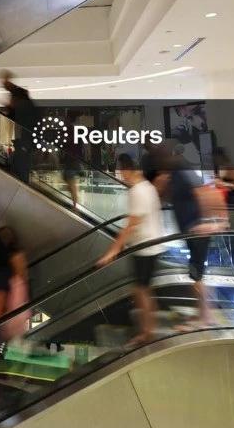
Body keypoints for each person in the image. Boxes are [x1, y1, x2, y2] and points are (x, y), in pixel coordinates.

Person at [98, 154, 164, 348]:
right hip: (151, 245)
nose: (120, 175)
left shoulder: (137, 191)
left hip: (146, 247)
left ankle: (148, 333)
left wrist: (112, 251)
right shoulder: (147, 186)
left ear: (127, 169)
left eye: (120, 170)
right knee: (143, 289)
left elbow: (131, 225)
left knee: (140, 290)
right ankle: (151, 325)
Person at [154, 143, 215, 329]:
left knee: (197, 275)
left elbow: (203, 193)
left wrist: (205, 222)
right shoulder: (174, 174)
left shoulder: (183, 170)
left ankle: (205, 317)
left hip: (197, 229)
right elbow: (166, 198)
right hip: (190, 230)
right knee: (195, 275)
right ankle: (203, 315)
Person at [0, 71, 37, 184]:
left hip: (25, 139)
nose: (2, 83)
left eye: (4, 81)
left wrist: (9, 109)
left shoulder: (18, 94)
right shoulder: (18, 94)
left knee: (20, 164)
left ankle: (22, 184)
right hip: (24, 138)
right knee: (18, 162)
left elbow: (15, 111)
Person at [61, 115, 82, 209]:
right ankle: (75, 203)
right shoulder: (73, 131)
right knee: (70, 183)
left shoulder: (70, 131)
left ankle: (75, 206)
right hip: (72, 161)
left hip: (71, 161)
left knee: (71, 184)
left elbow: (66, 143)